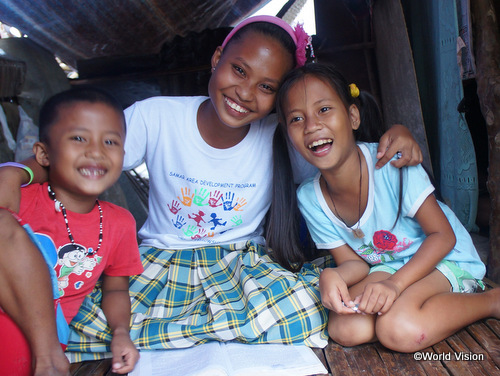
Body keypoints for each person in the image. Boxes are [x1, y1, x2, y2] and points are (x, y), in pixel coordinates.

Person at [0, 16, 422, 358]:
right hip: (159, 260)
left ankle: (180, 333)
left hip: (241, 265)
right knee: (82, 322)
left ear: (279, 99)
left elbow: (340, 154)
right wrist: (19, 172)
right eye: (239, 70)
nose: (244, 92)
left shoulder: (285, 134)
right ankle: (212, 331)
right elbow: (86, 158)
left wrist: (395, 132)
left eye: (266, 87)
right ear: (218, 58)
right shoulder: (157, 115)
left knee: (307, 310)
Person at [273, 62, 500, 352]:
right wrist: (332, 275)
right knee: (345, 327)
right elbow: (354, 263)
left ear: (353, 116)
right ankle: (419, 307)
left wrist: (395, 286)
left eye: (324, 109)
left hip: (446, 257)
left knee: (397, 329)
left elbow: (444, 237)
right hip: (390, 265)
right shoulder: (309, 197)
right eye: (296, 119)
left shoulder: (392, 165)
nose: (312, 126)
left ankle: (489, 301)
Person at [0, 88, 144, 375]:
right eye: (79, 138)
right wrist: (13, 172)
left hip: (42, 334)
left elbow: (116, 287)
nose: (96, 151)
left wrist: (120, 333)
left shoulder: (119, 223)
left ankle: (50, 357)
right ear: (43, 153)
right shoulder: (20, 197)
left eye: (110, 141)